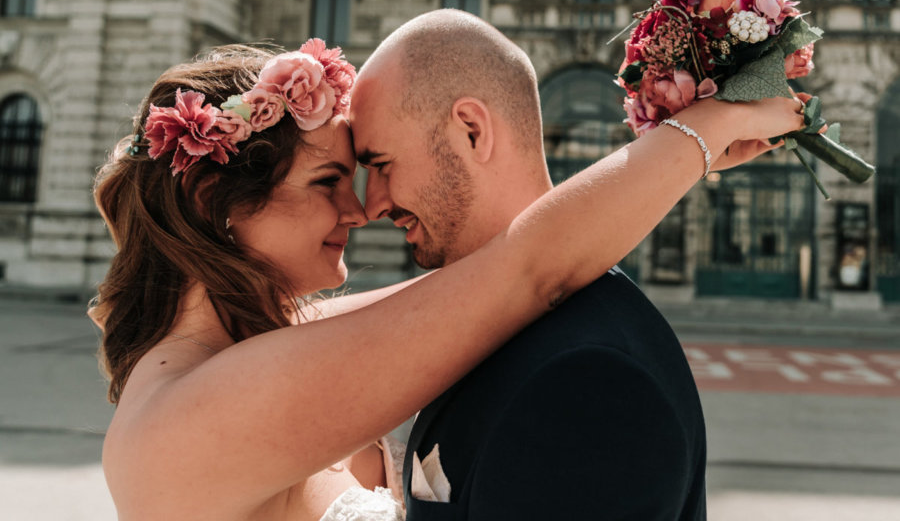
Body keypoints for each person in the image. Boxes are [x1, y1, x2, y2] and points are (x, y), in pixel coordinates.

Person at [90, 34, 803, 520]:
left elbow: (506, 276)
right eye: (330, 179)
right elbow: (524, 272)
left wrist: (681, 154)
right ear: (220, 205)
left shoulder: (249, 350)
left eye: (369, 171)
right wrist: (704, 129)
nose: (361, 208)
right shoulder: (193, 411)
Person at [348, 9, 810, 520]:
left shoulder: (589, 381)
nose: (371, 206)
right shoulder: (481, 317)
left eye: (381, 165)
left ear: (472, 130)